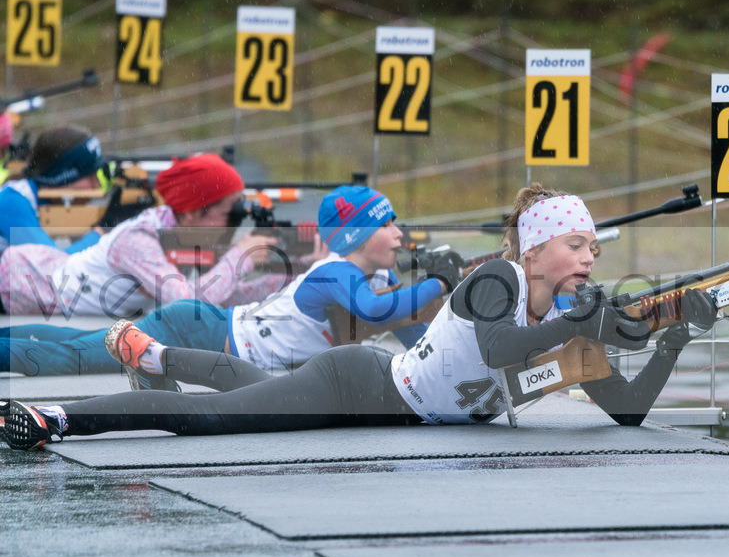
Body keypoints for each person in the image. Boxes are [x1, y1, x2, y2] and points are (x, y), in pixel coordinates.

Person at [0, 184, 719, 451]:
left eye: (595, 246)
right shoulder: (497, 280)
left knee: (245, 388)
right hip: (362, 386)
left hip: (382, 405)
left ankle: (154, 355)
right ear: (536, 249)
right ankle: (61, 415)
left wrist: (674, 336)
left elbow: (626, 409)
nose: (590, 256)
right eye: (575, 243)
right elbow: (503, 349)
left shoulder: (563, 310)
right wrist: (580, 324)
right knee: (215, 421)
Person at [0, 184, 454, 383]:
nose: (400, 233)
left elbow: (414, 337)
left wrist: (445, 314)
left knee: (78, 344)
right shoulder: (338, 273)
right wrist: (438, 279)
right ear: (357, 236)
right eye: (388, 225)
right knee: (72, 359)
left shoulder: (379, 276)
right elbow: (377, 312)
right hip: (196, 331)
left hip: (210, 330)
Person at [0, 153, 285, 317]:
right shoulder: (139, 239)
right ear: (190, 214)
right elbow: (186, 303)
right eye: (230, 214)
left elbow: (222, 296)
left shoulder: (182, 235)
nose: (236, 224)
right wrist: (240, 259)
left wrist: (289, 277)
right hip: (18, 279)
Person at [0, 125, 106, 254]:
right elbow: (49, 265)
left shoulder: (50, 206)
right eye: (90, 175)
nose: (97, 185)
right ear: (61, 177)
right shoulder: (11, 202)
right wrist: (98, 236)